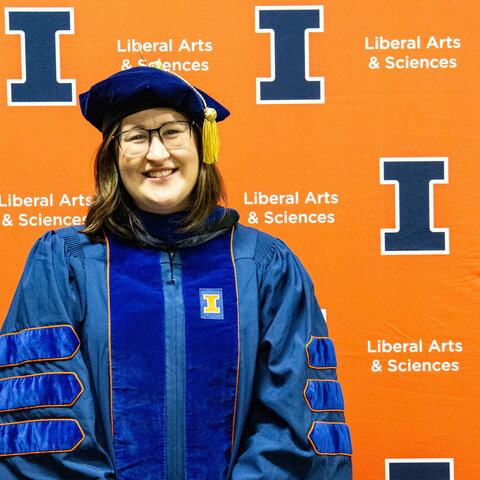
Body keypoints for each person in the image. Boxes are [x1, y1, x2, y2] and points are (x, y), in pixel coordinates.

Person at [0, 65, 352, 479]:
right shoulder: (66, 262)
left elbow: (297, 423)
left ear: (202, 144)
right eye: (135, 136)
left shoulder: (263, 264)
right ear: (113, 157)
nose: (157, 154)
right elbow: (45, 426)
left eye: (172, 132)